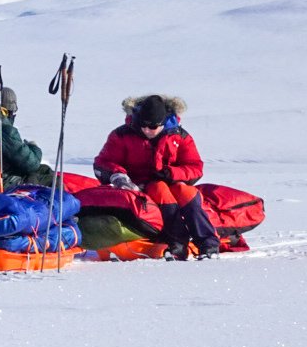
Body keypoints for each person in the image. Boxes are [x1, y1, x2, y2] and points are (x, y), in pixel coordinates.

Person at [93, 93, 220, 260]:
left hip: (172, 183)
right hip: (137, 188)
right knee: (159, 189)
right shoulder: (121, 135)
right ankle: (177, 244)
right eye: (142, 125)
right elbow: (103, 162)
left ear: (163, 123)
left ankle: (209, 245)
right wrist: (118, 175)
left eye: (152, 127)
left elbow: (195, 167)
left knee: (186, 192)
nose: (146, 130)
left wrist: (172, 173)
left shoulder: (180, 137)